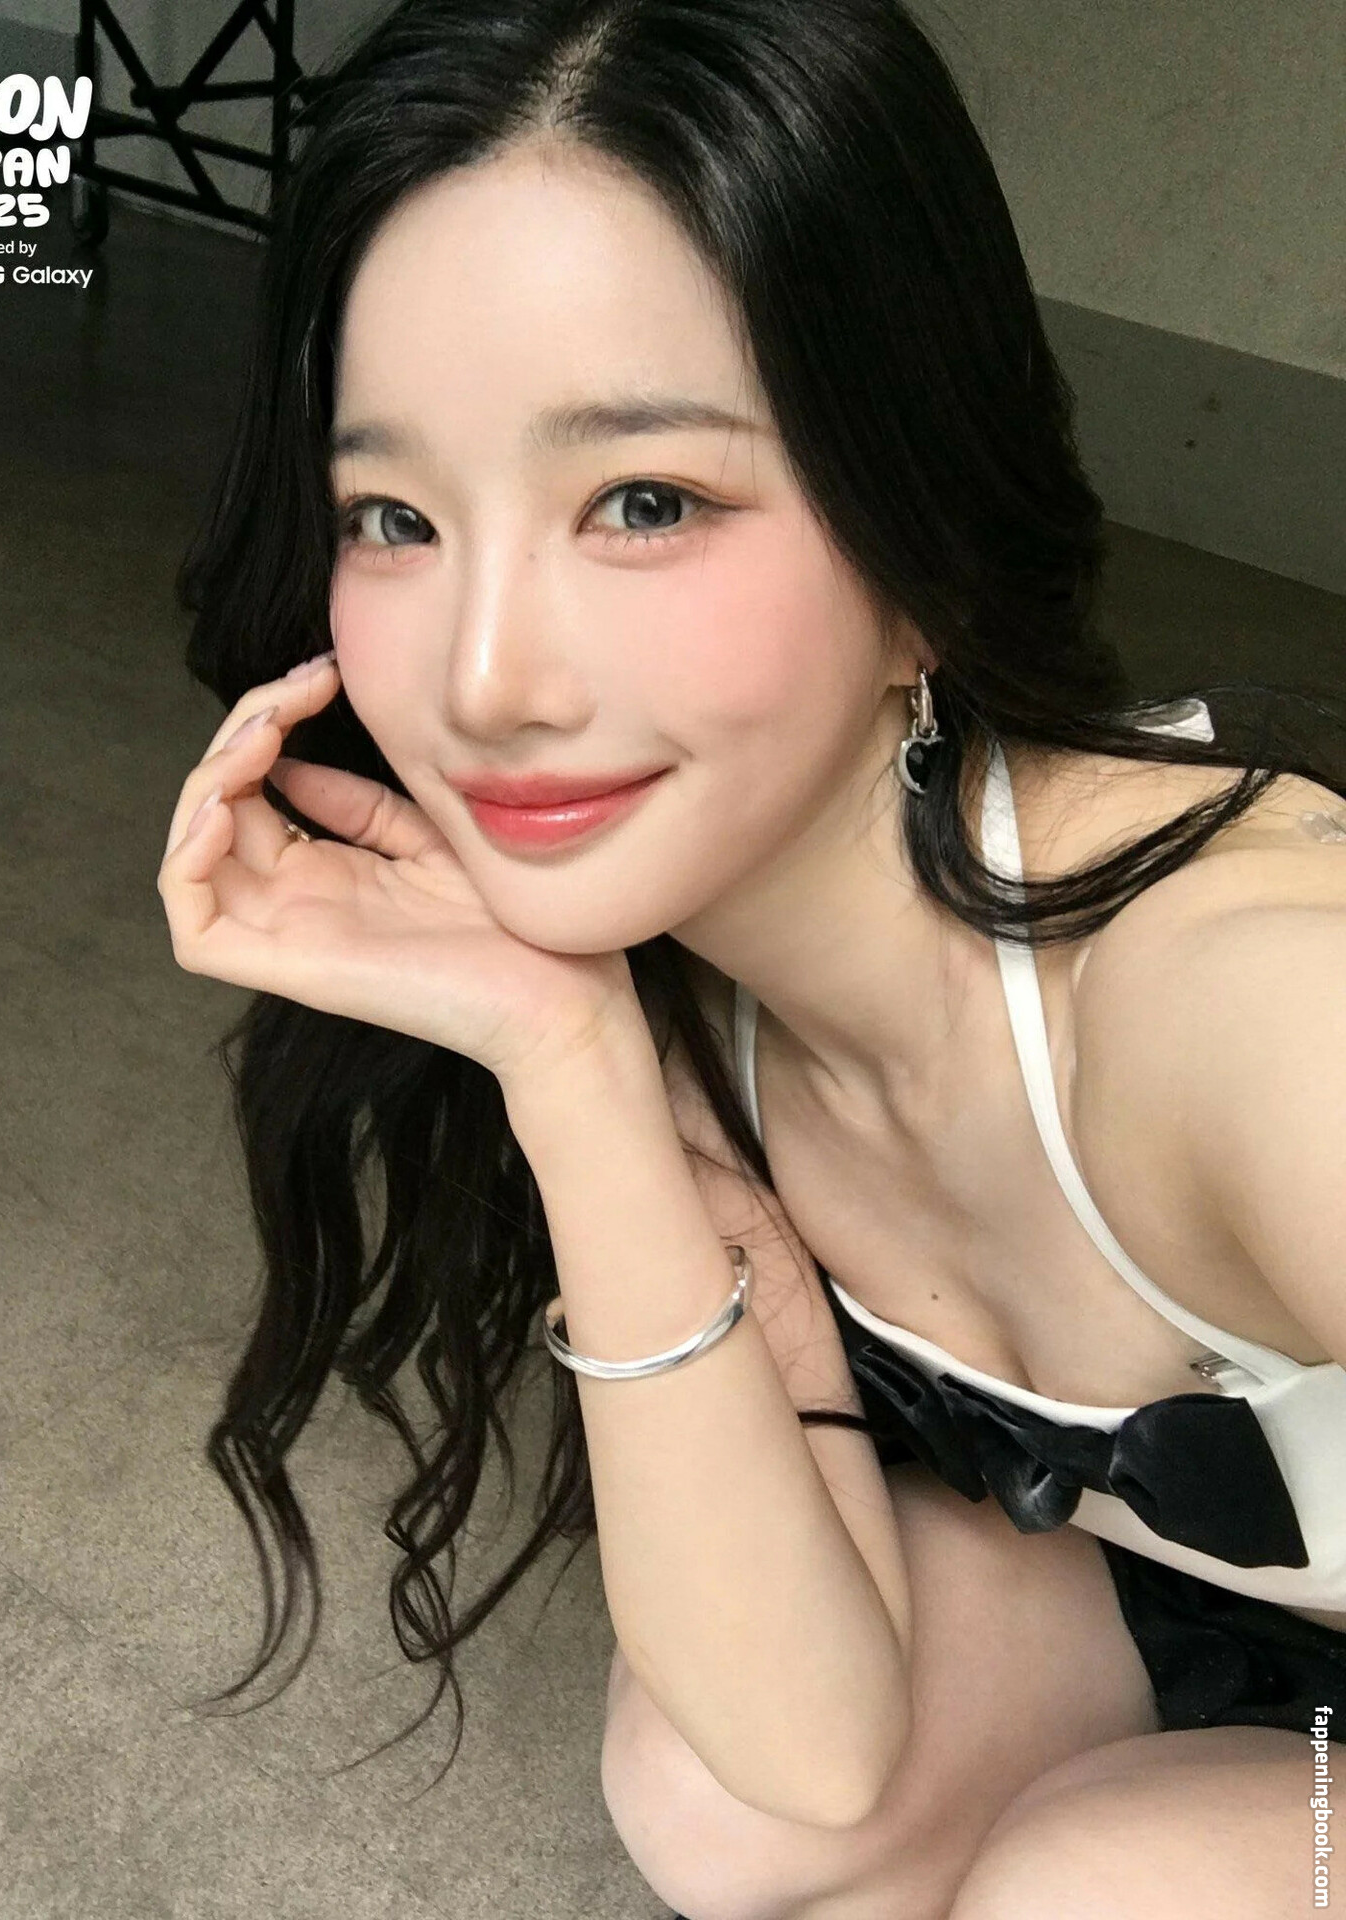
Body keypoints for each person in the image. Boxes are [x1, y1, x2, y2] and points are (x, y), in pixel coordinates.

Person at [156, 0, 1346, 1912]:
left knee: (1093, 1890)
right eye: (396, 517)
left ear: (922, 552)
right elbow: (807, 1751)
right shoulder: (689, 978)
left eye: (643, 502)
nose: (484, 682)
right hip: (1230, 1624)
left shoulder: (1262, 1015)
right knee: (725, 1806)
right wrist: (571, 1064)